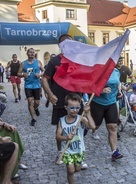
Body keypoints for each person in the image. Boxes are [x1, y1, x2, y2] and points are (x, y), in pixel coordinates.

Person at [42, 34, 88, 168]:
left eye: (71, 43)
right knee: (61, 129)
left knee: (78, 127)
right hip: (60, 100)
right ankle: (60, 152)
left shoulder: (78, 60)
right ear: (60, 46)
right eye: (65, 43)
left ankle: (78, 154)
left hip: (75, 101)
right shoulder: (54, 61)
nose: (69, 45)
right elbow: (44, 79)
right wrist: (50, 94)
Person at [56, 93, 95, 184]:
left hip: (79, 150)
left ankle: (76, 168)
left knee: (77, 169)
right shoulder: (62, 121)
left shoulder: (81, 119)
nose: (75, 110)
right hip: (67, 151)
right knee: (71, 170)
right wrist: (66, 137)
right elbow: (57, 137)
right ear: (66, 107)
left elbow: (93, 127)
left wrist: (88, 113)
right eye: (72, 108)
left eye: (77, 108)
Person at [89, 68, 123, 161]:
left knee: (113, 127)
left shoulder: (116, 71)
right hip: (97, 103)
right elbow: (89, 86)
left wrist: (119, 91)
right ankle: (84, 126)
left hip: (111, 102)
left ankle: (114, 151)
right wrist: (101, 90)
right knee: (94, 126)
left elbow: (117, 83)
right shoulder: (97, 69)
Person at [17, 48, 44, 126]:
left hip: (37, 85)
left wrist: (39, 75)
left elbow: (44, 71)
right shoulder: (23, 64)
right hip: (28, 85)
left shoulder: (38, 62)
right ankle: (33, 118)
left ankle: (35, 108)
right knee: (29, 101)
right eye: (30, 52)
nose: (32, 53)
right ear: (27, 54)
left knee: (37, 102)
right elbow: (18, 73)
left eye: (33, 52)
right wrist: (23, 75)